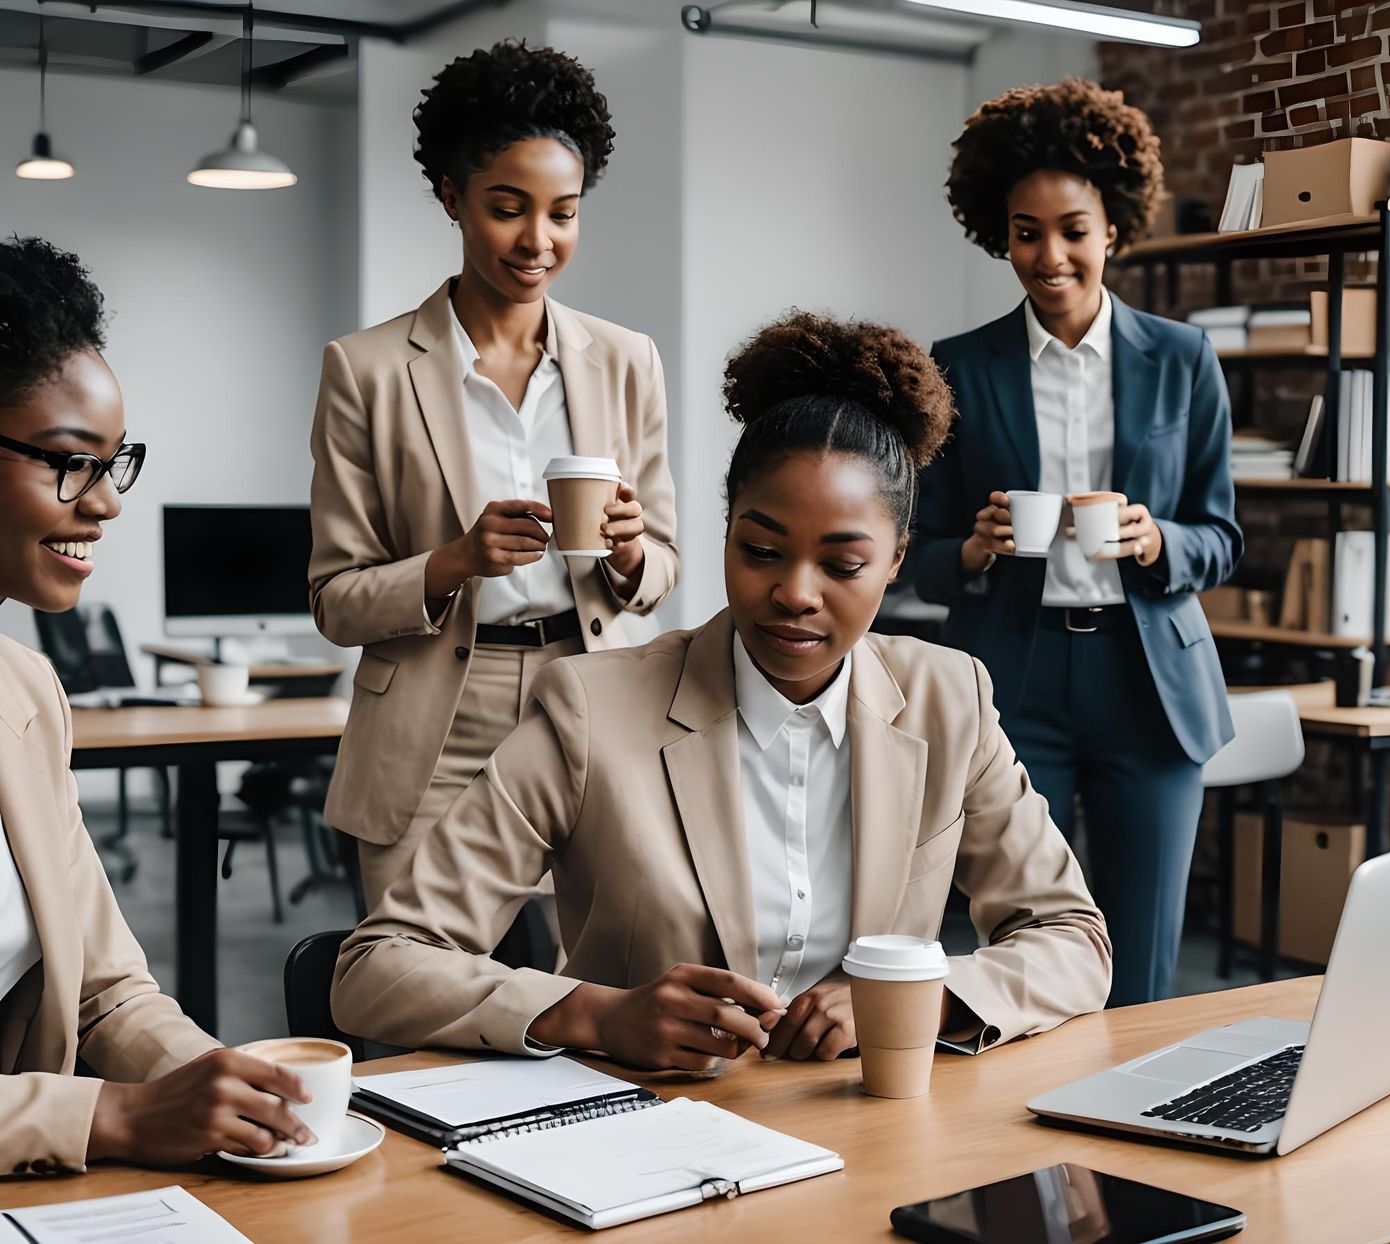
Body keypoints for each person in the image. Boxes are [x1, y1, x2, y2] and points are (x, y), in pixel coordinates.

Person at [332, 312, 1111, 1069]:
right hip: (649, 1148)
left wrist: (919, 996)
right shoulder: (590, 710)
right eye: (762, 550)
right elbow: (376, 965)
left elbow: (1073, 939)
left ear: (898, 558)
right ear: (728, 528)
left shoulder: (951, 699)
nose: (795, 593)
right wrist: (600, 1015)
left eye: (842, 566)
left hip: (871, 1139)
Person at [309, 41, 680, 907]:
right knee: (410, 983)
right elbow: (335, 597)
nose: (538, 241)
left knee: (583, 995)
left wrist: (630, 554)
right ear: (452, 198)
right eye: (509, 208)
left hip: (586, 699)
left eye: (564, 212)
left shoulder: (627, 361)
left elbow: (664, 565)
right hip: (432, 722)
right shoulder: (366, 369)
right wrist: (456, 562)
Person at [906, 79, 1241, 1007]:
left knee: (1141, 966)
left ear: (1113, 228)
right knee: (1024, 950)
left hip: (1150, 687)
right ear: (998, 232)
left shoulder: (1182, 359)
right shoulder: (959, 366)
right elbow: (918, 548)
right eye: (1025, 232)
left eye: (1072, 230)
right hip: (1018, 679)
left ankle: (1141, 1144)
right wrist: (969, 550)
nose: (1049, 257)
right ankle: (1032, 1147)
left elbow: (1223, 536)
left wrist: (1155, 537)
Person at [0, 236, 314, 1173]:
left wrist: (226, 1090)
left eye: (113, 463)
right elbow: (112, 1105)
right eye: (69, 462)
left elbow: (105, 992)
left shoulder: (25, 692)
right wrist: (118, 1120)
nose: (107, 504)